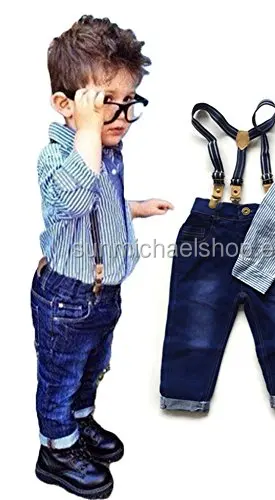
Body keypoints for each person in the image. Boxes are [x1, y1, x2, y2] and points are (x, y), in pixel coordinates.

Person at [30, 15, 173, 498]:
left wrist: (136, 208)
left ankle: (80, 420)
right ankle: (56, 449)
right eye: (105, 104)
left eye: (129, 102)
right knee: (61, 375)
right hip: (66, 298)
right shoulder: (59, 157)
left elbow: (100, 207)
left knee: (92, 367)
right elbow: (72, 202)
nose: (122, 116)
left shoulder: (109, 152)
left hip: (102, 295)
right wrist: (89, 133)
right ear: (65, 105)